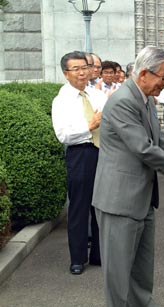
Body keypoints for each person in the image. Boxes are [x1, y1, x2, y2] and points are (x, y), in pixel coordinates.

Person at [92, 46, 164, 307]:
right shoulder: (122, 101)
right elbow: (142, 147)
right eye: (163, 77)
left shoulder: (144, 98)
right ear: (144, 73)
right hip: (119, 202)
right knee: (118, 278)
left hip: (143, 200)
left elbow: (159, 137)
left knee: (142, 275)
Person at [51, 51, 107, 275]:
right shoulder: (61, 100)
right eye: (77, 69)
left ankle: (99, 255)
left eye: (85, 67)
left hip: (103, 153)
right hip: (80, 154)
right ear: (66, 74)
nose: (83, 72)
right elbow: (62, 135)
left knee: (101, 206)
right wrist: (89, 125)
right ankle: (77, 258)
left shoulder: (96, 94)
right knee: (79, 208)